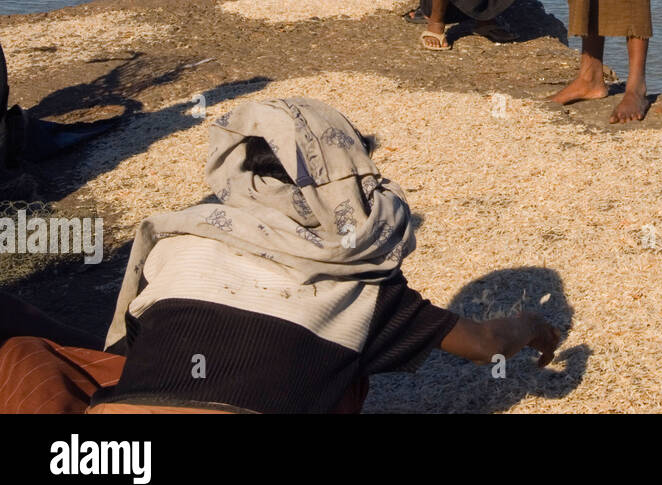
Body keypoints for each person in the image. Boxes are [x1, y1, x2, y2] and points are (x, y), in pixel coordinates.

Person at [0, 98, 561, 413]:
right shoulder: (363, 286)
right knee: (341, 374)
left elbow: (150, 350)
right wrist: (532, 322)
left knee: (28, 354)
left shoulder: (178, 243)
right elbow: (486, 346)